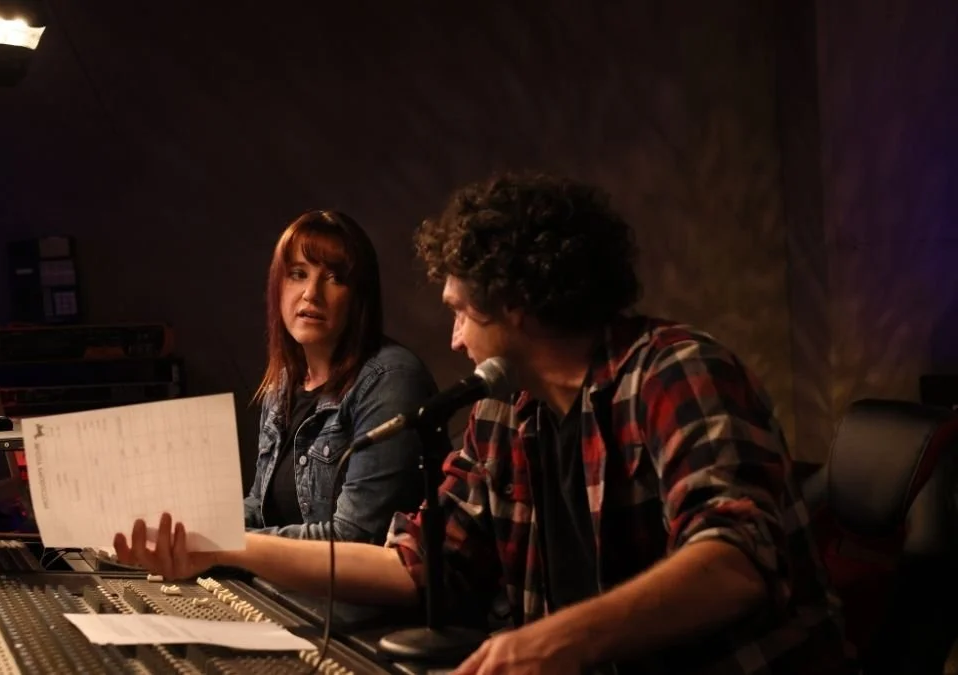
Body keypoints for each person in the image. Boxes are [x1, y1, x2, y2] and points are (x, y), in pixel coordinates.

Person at [114, 175, 853, 674]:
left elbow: (737, 559)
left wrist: (544, 645)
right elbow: (415, 561)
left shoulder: (677, 371)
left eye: (464, 312)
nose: (457, 339)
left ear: (519, 304)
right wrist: (220, 549)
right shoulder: (508, 414)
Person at [242, 209, 437, 543]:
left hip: (351, 594)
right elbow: (259, 508)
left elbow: (355, 537)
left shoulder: (390, 379)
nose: (311, 294)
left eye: (334, 278)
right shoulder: (284, 382)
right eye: (298, 274)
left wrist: (232, 545)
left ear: (359, 297)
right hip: (283, 587)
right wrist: (196, 529)